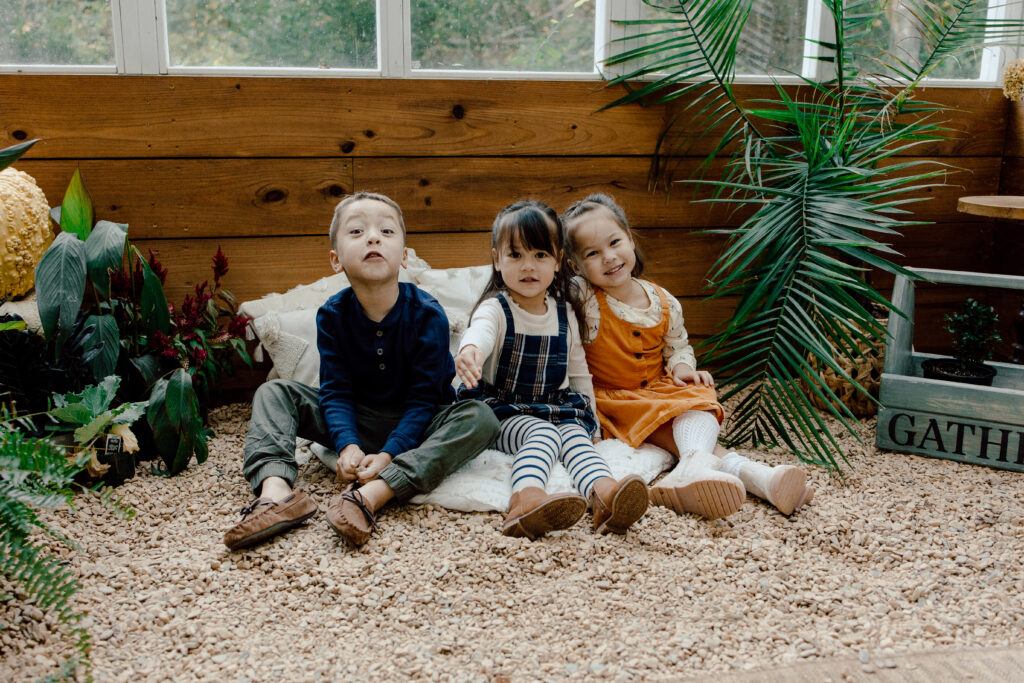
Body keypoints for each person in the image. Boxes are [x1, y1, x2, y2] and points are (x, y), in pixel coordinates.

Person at [223, 192, 499, 550]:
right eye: (357, 232)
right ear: (336, 260)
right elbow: (336, 391)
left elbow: (425, 399)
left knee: (481, 416)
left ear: (402, 255)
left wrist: (387, 456)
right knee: (274, 392)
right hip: (359, 417)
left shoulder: (428, 314)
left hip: (421, 426)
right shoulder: (332, 315)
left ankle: (375, 492)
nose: (373, 238)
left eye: (386, 231)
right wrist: (347, 445)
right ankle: (276, 492)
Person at [560, 194, 813, 519]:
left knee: (698, 402)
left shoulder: (663, 301)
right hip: (616, 400)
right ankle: (759, 477)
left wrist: (681, 368)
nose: (609, 257)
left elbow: (677, 345)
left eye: (614, 242)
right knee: (675, 428)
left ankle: (714, 472)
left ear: (630, 239)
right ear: (575, 266)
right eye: (592, 253)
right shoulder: (584, 297)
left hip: (657, 389)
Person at [455, 200, 648, 540]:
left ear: (558, 262)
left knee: (575, 439)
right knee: (542, 435)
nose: (528, 266)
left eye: (540, 255)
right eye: (515, 255)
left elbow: (578, 373)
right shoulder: (497, 309)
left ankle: (604, 495)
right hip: (502, 410)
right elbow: (481, 331)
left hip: (555, 405)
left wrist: (592, 420)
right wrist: (471, 349)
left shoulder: (564, 314)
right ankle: (525, 500)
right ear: (498, 260)